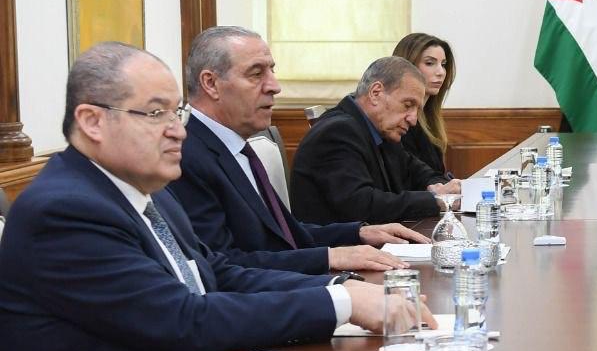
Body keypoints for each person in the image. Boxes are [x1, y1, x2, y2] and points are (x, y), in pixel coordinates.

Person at [0, 43, 408, 351]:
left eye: (175, 113)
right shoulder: (64, 211)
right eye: (155, 114)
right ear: (92, 121)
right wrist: (340, 304)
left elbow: (217, 274)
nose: (178, 131)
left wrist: (339, 288)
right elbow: (180, 318)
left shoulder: (148, 193)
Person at [170, 26, 428, 275]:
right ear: (211, 83)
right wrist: (330, 258)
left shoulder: (236, 147)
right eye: (256, 74)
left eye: (272, 71)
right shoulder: (184, 156)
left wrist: (358, 233)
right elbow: (222, 267)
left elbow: (282, 236)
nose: (275, 86)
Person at [290, 57, 460, 224]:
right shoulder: (338, 132)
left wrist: (443, 188)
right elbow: (361, 205)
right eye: (408, 105)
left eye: (417, 110)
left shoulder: (383, 131)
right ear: (375, 93)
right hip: (338, 241)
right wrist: (434, 200)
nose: (413, 120)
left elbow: (420, 173)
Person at [393, 32, 456, 180]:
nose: (441, 72)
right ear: (407, 66)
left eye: (443, 64)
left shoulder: (430, 118)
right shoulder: (398, 122)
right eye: (429, 63)